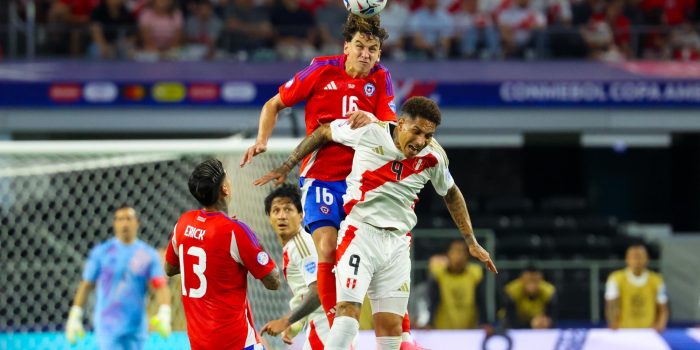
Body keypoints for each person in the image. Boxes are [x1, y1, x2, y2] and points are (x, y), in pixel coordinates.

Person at [255, 96, 497, 350]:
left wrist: (470, 241)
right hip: (361, 234)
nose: (420, 141)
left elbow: (451, 193)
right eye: (416, 132)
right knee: (347, 312)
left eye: (428, 135)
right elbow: (325, 131)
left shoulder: (434, 156)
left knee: (392, 330)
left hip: (398, 245)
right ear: (400, 123)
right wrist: (288, 165)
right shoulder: (370, 132)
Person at [163, 159, 280, 349]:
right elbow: (273, 281)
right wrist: (251, 240)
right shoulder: (235, 231)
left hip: (199, 343)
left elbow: (170, 268)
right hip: (237, 343)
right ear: (225, 189)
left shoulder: (183, 224)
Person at [64, 205, 172, 350]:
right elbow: (86, 285)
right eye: (120, 219)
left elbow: (160, 286)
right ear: (114, 223)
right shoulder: (102, 252)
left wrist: (165, 311)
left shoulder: (147, 254)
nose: (125, 223)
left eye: (128, 218)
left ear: (137, 222)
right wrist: (75, 315)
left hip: (136, 328)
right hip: (108, 327)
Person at [260, 184, 329, 349]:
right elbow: (304, 294)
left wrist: (285, 321)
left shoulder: (301, 245)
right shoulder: (292, 246)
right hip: (321, 325)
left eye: (288, 209)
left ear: (300, 215)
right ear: (269, 217)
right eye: (276, 211)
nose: (282, 216)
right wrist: (295, 325)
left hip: (327, 327)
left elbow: (319, 291)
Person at [605, 244, 668, 332]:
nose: (637, 260)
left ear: (647, 259)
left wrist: (660, 325)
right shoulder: (615, 278)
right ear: (627, 259)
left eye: (640, 257)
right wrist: (613, 323)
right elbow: (611, 305)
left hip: (649, 331)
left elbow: (663, 309)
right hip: (624, 330)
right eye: (634, 257)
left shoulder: (657, 280)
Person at [427, 240, 486, 329]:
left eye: (462, 251)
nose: (459, 255)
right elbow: (433, 301)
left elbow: (481, 301)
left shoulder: (475, 274)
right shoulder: (439, 274)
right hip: (443, 329)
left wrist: (484, 322)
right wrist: (430, 323)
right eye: (455, 251)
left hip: (470, 329)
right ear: (448, 254)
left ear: (467, 255)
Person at [502, 265, 557, 329]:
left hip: (538, 321)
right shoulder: (512, 291)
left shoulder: (548, 291)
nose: (532, 285)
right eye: (528, 281)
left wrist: (546, 321)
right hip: (517, 320)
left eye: (535, 281)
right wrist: (530, 324)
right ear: (521, 280)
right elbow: (510, 318)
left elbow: (552, 317)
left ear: (541, 280)